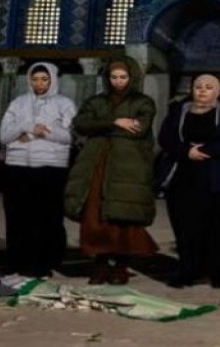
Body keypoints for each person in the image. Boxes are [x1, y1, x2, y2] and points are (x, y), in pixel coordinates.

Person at [159, 73, 220, 288]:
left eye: (208, 87)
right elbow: (166, 138)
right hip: (185, 175)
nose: (203, 91)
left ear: (217, 91)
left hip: (217, 176)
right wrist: (187, 151)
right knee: (186, 224)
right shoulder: (179, 111)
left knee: (216, 226)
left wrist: (206, 150)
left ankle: (216, 271)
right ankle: (188, 270)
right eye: (198, 87)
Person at [64, 58, 158, 284]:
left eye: (123, 77)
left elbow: (138, 129)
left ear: (132, 77)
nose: (118, 81)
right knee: (96, 217)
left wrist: (101, 126)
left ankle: (121, 266)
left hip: (128, 168)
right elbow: (81, 124)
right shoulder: (97, 101)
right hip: (98, 165)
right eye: (114, 77)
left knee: (124, 218)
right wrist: (115, 122)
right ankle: (101, 264)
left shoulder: (143, 102)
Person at [0, 62, 76, 278]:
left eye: (44, 79)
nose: (39, 84)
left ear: (52, 79)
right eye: (35, 79)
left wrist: (41, 133)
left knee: (46, 217)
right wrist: (26, 127)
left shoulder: (64, 104)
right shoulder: (18, 103)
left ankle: (45, 262)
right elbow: (4, 136)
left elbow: (69, 136)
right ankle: (16, 260)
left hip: (50, 167)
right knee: (17, 216)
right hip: (17, 166)